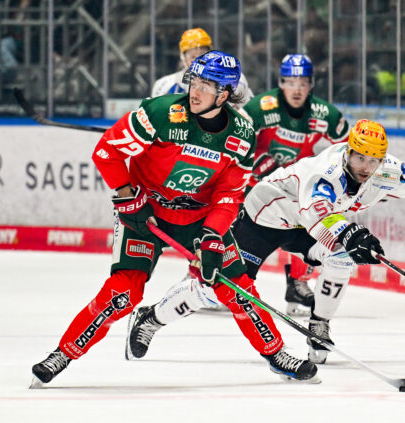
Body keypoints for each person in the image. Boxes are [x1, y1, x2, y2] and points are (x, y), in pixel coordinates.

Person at [31, 50, 320, 386]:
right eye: (193, 81)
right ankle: (62, 354)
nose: (194, 91)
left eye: (204, 86)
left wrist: (213, 237)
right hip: (145, 214)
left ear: (224, 94)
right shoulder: (161, 113)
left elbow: (228, 195)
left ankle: (276, 354)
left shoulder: (241, 134)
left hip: (199, 219)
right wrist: (128, 198)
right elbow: (106, 151)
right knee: (122, 294)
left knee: (239, 290)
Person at [126, 118, 405, 365]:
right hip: (265, 217)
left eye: (372, 161)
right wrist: (350, 233)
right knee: (216, 290)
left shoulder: (387, 170)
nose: (365, 167)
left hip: (307, 224)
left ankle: (320, 326)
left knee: (342, 259)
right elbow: (318, 215)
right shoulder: (323, 172)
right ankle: (150, 319)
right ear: (349, 150)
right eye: (359, 157)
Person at [241, 53, 350, 316]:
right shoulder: (261, 107)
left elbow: (350, 145)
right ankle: (209, 277)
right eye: (290, 82)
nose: (297, 89)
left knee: (312, 223)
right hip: (254, 186)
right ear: (281, 83)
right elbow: (238, 140)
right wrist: (262, 164)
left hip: (292, 186)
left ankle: (298, 283)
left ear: (311, 84)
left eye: (303, 83)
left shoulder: (323, 113)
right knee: (235, 234)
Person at [151, 27, 253, 110]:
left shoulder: (233, 78)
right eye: (193, 57)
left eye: (203, 55)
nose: (199, 61)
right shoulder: (165, 85)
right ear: (183, 58)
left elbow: (248, 112)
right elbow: (155, 118)